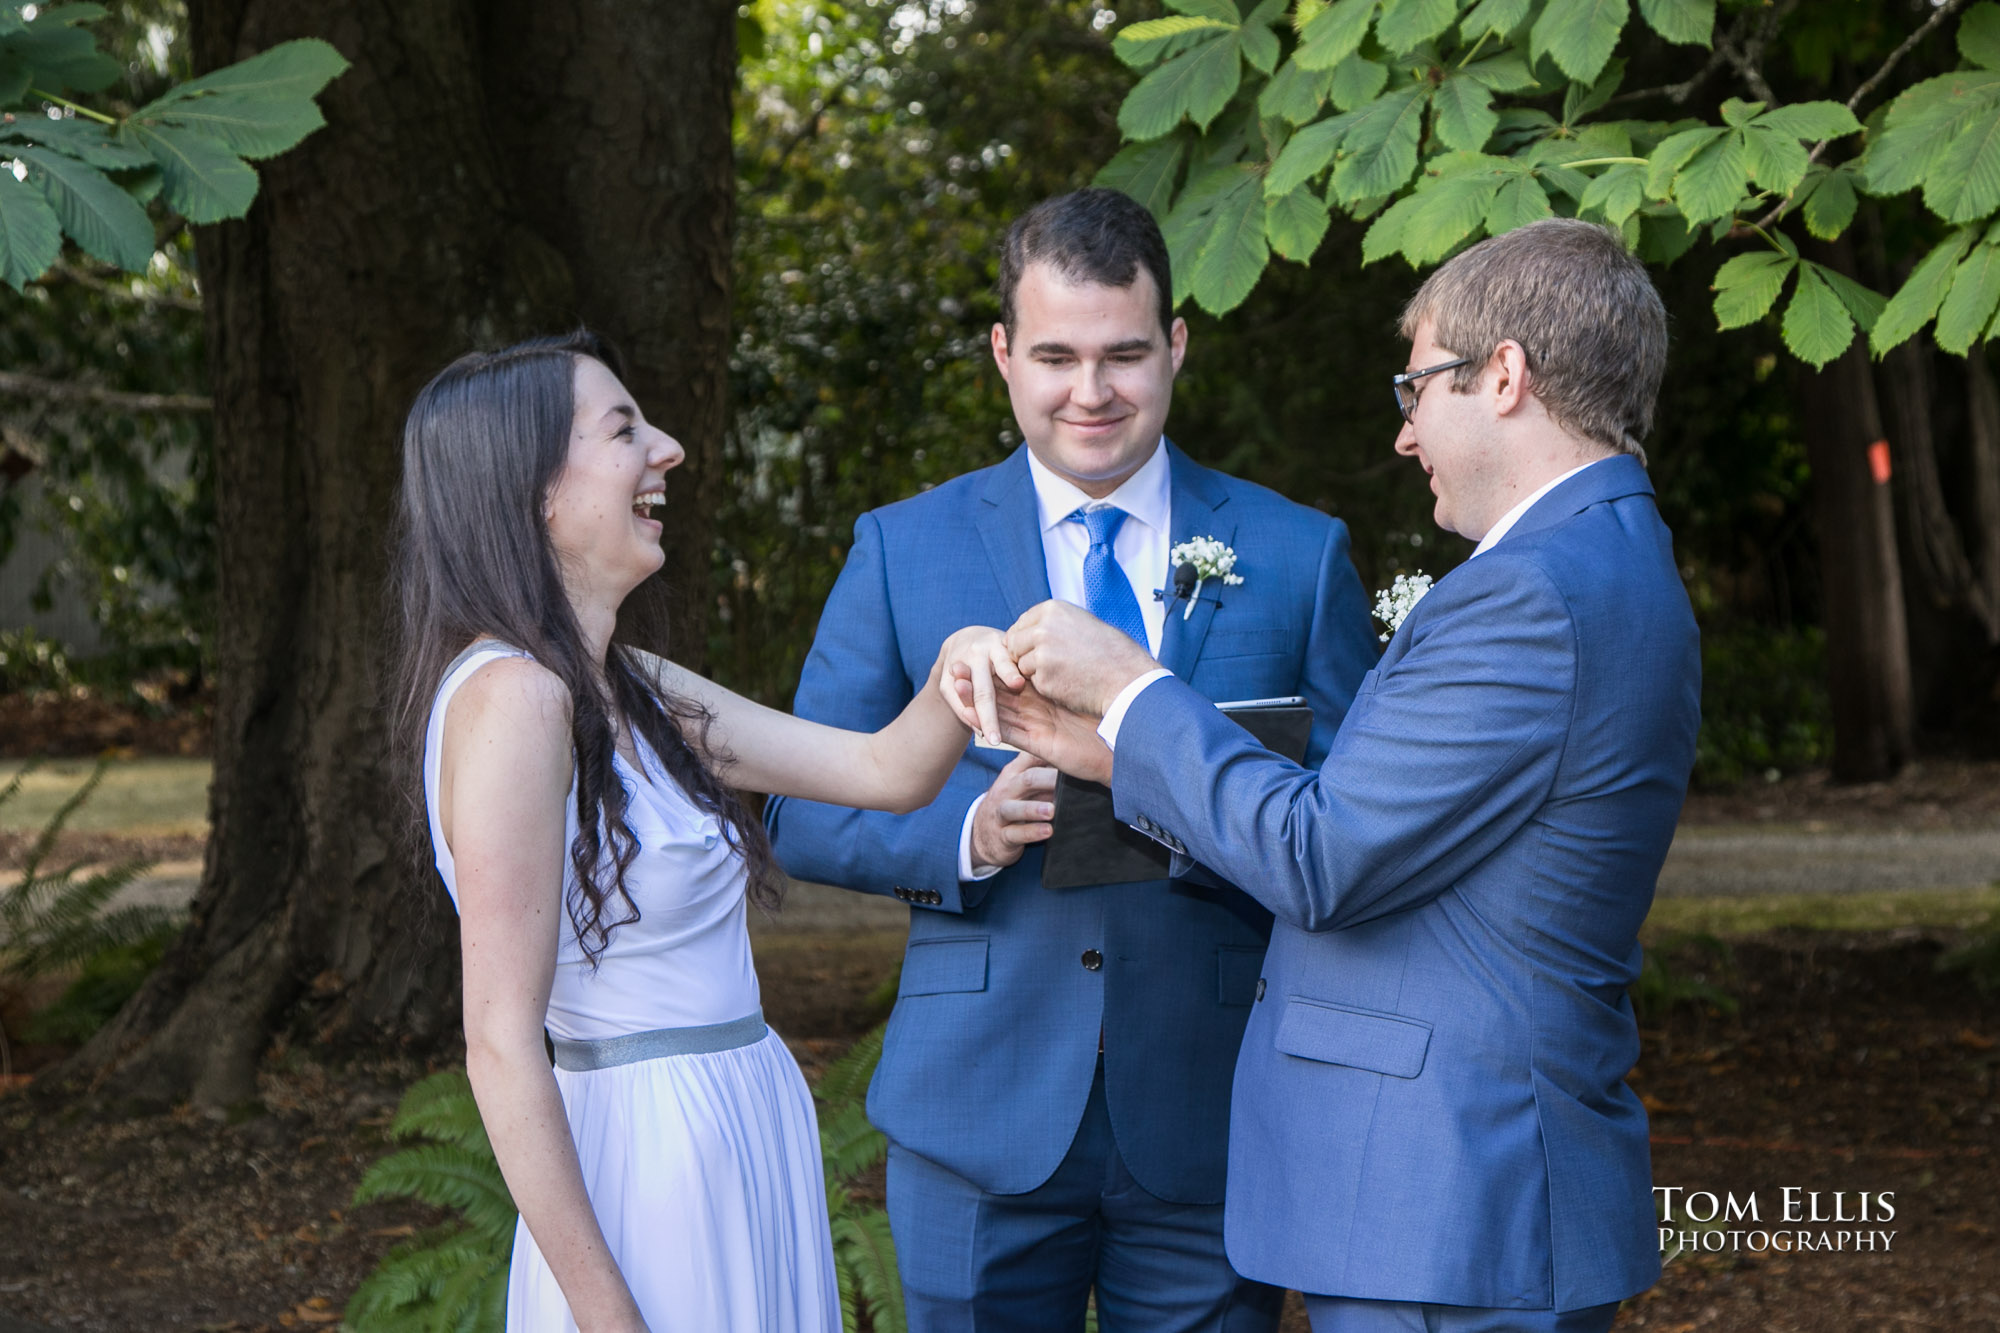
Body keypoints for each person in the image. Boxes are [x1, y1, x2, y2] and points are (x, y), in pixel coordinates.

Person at [992, 218, 1701, 1332]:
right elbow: (1384, 833)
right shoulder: (1606, 556)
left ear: (1502, 375)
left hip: (1445, 1198)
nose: (1404, 435)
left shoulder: (1524, 593)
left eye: (1414, 389)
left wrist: (1131, 690)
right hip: (1457, 1188)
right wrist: (1112, 755)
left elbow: (1324, 856)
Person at [763, 188, 1378, 1332]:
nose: (1089, 392)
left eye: (1123, 355)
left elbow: (1348, 823)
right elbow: (801, 809)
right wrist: (965, 834)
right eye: (1053, 355)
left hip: (1212, 1106)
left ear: (1176, 346)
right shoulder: (904, 547)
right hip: (975, 1111)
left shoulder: (1295, 553)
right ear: (1002, 353)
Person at [390, 331, 1014, 1333]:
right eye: (624, 428)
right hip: (647, 1161)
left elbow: (879, 772)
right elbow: (499, 1044)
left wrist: (962, 658)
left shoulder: (632, 685)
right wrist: (611, 1318)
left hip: (743, 1126)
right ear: (534, 491)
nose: (670, 448)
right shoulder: (512, 701)